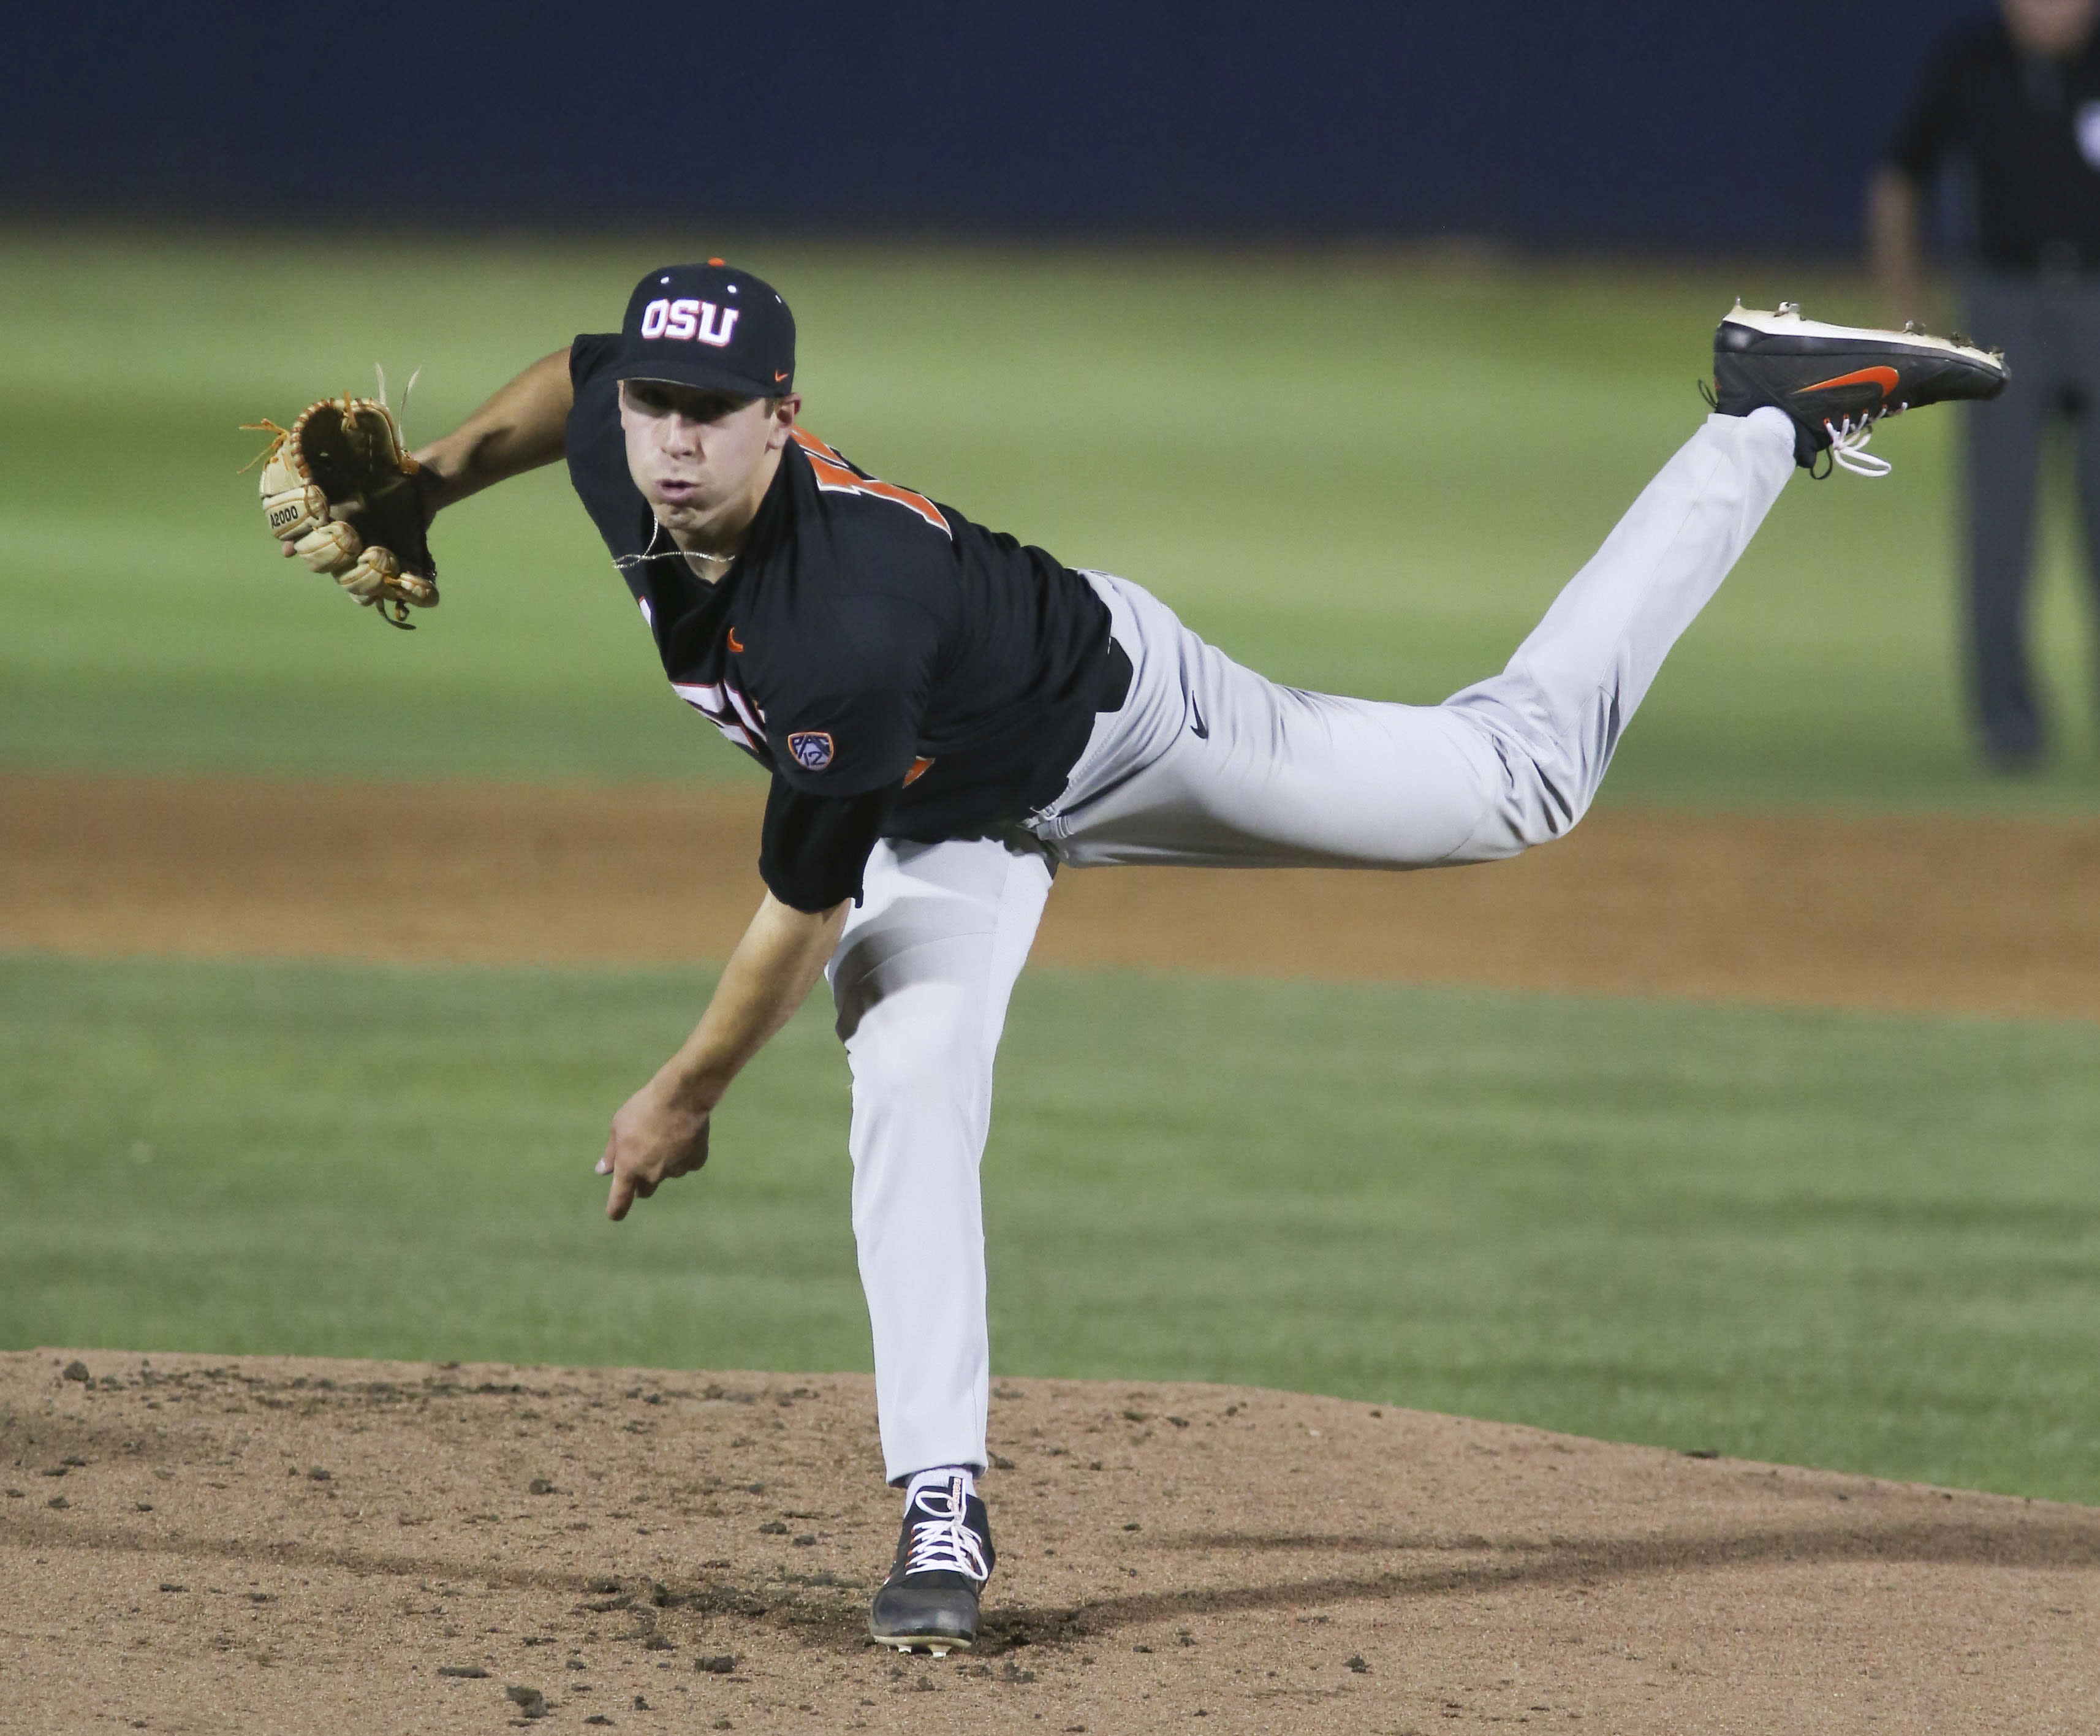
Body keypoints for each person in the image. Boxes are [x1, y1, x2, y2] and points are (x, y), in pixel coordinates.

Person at [265, 263, 2004, 1653]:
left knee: (1516, 783)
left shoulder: (837, 627)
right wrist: (422, 488)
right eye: (659, 403)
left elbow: (795, 913)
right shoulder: (622, 433)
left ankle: (1758, 420)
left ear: (783, 423)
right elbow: (571, 374)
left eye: (713, 412)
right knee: (913, 1082)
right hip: (946, 823)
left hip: (1122, 723)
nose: (668, 441)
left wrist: (679, 1093)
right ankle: (940, 1503)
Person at [1872, 0, 2100, 769]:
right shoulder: (1970, 64)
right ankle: (2007, 727)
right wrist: (1911, 314)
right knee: (1998, 525)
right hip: (2005, 302)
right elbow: (1899, 176)